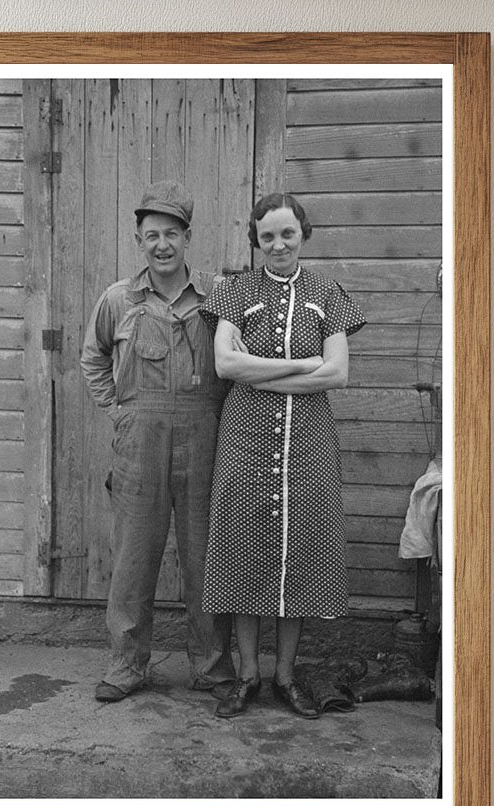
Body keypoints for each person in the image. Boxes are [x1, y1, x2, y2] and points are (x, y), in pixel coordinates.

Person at [199, 193, 366, 719]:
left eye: (287, 234)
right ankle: (247, 676)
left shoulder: (326, 294)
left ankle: (285, 677)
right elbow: (226, 364)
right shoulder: (234, 292)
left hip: (309, 444)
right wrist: (300, 367)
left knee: (299, 559)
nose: (278, 244)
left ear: (303, 234)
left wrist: (263, 369)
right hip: (246, 440)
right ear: (255, 239)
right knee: (247, 553)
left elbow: (337, 373)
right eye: (267, 235)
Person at [80, 181, 235, 703]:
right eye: (152, 236)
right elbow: (93, 358)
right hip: (139, 442)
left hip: (205, 435)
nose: (162, 244)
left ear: (187, 237)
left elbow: (239, 361)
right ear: (140, 241)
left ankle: (212, 667)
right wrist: (120, 411)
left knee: (206, 557)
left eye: (171, 234)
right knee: (133, 557)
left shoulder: (217, 297)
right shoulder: (118, 299)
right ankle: (127, 665)